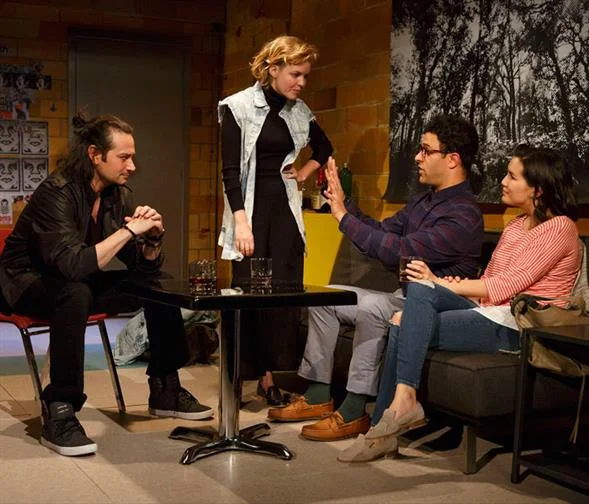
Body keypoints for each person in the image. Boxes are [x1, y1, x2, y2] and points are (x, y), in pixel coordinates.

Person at [338, 145, 580, 462]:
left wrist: (441, 282)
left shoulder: (561, 227)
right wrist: (442, 286)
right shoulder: (514, 226)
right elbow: (488, 286)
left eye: (512, 176)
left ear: (538, 189)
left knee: (405, 318)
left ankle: (383, 430)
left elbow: (506, 286)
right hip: (490, 312)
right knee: (418, 291)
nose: (503, 181)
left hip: (521, 325)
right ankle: (400, 407)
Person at [0, 113, 213, 457]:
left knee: (157, 286)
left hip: (74, 281)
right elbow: (71, 265)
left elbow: (140, 265)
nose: (132, 166)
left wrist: (152, 240)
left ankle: (166, 387)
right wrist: (128, 231)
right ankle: (60, 409)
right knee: (76, 293)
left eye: (132, 157)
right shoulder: (56, 193)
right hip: (24, 283)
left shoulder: (116, 195)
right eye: (123, 157)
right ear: (95, 155)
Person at [268, 115, 484, 441]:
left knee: (371, 307)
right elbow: (383, 232)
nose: (417, 157)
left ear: (452, 159)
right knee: (325, 298)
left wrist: (343, 217)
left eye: (426, 150)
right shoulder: (423, 201)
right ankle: (317, 394)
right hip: (404, 296)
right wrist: (343, 205)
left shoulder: (463, 216)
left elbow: (399, 250)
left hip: (436, 307)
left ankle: (355, 410)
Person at [218, 35, 333, 405]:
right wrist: (241, 222)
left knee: (282, 297)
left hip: (284, 212)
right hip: (250, 212)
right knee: (246, 296)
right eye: (295, 74)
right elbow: (230, 171)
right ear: (273, 68)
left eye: (305, 76)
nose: (301, 82)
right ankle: (236, 378)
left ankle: (269, 379)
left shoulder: (299, 111)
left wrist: (303, 173)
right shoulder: (237, 107)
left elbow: (325, 147)